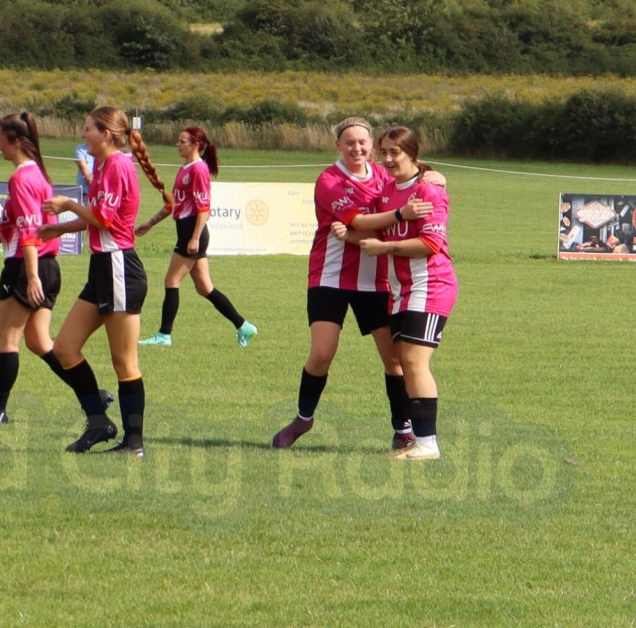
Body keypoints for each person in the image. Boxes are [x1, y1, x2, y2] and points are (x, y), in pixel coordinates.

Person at [271, 117, 439, 453]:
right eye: (349, 142)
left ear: (371, 146)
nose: (357, 148)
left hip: (376, 281)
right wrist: (401, 215)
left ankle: (403, 429)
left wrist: (437, 176)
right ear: (338, 145)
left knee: (394, 359)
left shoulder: (382, 174)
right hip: (329, 278)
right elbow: (359, 222)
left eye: (363, 142)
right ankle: (304, 418)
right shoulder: (329, 180)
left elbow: (416, 179)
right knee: (321, 354)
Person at [0, 112, 109, 423]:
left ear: (16, 142)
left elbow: (29, 232)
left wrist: (30, 276)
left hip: (27, 267)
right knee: (39, 342)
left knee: (8, 341)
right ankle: (93, 396)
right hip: (48, 267)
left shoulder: (21, 178)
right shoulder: (39, 176)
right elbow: (8, 227)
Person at [38, 106, 169, 457]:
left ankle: (134, 443)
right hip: (102, 269)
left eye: (88, 129)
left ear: (106, 134)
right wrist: (60, 227)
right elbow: (97, 218)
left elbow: (104, 219)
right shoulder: (104, 165)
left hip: (119, 269)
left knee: (124, 362)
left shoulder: (117, 165)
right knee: (65, 348)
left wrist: (66, 204)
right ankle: (99, 423)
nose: (83, 135)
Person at [340, 126, 457, 461]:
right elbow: (370, 224)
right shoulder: (387, 191)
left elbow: (431, 244)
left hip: (431, 285)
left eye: (397, 153)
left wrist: (383, 246)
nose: (389, 159)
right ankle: (419, 441)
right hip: (401, 291)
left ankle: (427, 444)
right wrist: (347, 233)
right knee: (405, 362)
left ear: (413, 155)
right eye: (385, 152)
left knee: (414, 361)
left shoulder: (429, 192)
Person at [136, 126, 258, 349]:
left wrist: (194, 238)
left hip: (193, 232)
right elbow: (174, 203)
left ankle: (164, 335)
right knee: (205, 288)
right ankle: (244, 326)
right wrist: (151, 223)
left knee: (171, 281)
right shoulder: (186, 168)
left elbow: (204, 209)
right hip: (188, 231)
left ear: (195, 145)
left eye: (182, 141)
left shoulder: (198, 170)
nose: (177, 144)